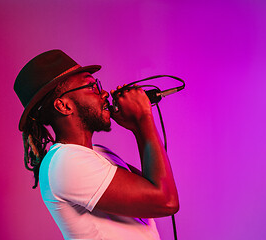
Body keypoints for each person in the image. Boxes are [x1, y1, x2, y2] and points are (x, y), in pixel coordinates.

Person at [14, 49, 179, 240]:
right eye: (92, 87)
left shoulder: (98, 154)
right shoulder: (65, 162)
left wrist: (136, 126)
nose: (104, 94)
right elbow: (165, 201)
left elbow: (154, 188)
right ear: (64, 106)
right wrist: (143, 118)